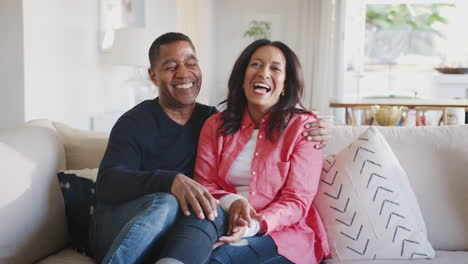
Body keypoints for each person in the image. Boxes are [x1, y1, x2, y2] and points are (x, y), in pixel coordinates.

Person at [89, 32, 331, 264]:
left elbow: (295, 196)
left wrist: (317, 126)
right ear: (153, 76)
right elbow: (108, 182)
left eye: (190, 63)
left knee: (198, 221)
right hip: (130, 222)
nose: (184, 73)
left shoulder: (214, 120)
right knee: (170, 204)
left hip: (234, 228)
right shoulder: (138, 122)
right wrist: (170, 181)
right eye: (171, 67)